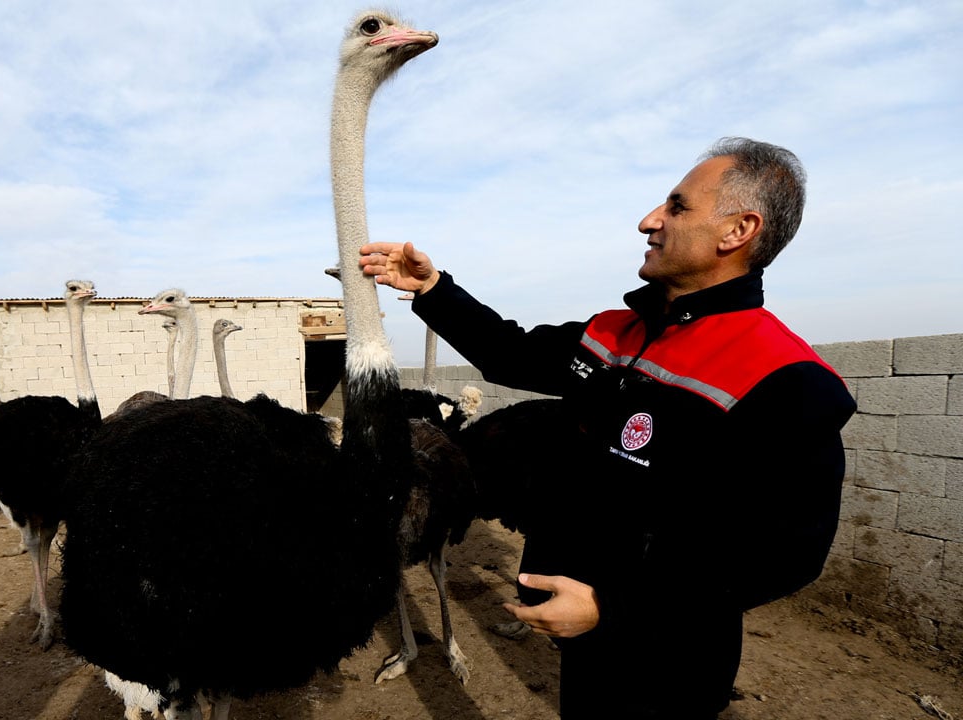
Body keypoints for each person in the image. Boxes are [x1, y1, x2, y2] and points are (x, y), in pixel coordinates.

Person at [359, 137, 856, 719]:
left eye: (677, 207)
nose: (650, 221)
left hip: (667, 651)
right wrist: (433, 289)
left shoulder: (785, 379)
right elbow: (512, 353)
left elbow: (786, 553)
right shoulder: (617, 333)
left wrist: (612, 607)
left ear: (737, 231)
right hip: (581, 628)